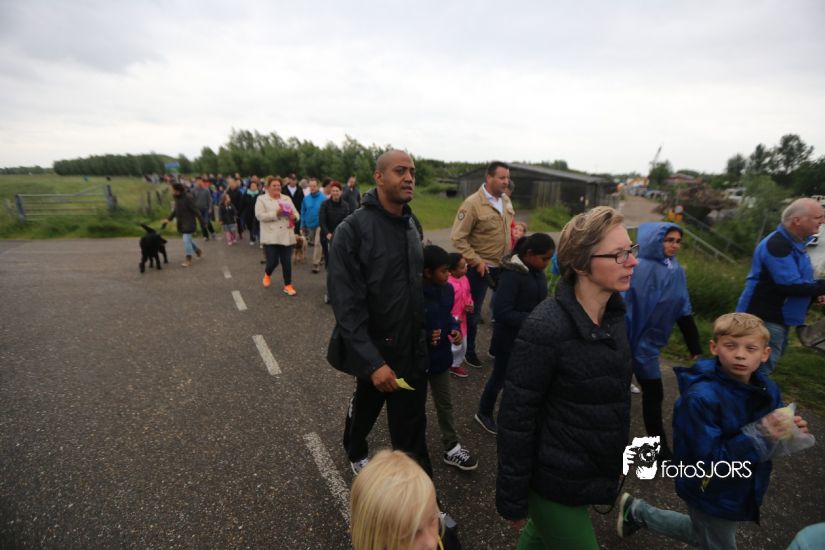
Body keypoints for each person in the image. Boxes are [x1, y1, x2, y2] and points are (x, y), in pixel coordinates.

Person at [496, 206, 637, 548]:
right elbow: (516, 417)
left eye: (631, 250)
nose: (632, 261)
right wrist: (513, 496)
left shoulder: (614, 318)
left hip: (584, 471)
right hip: (553, 481)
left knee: (537, 540)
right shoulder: (546, 327)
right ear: (581, 265)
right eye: (618, 254)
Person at [618, 312, 812, 550]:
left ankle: (637, 512)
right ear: (714, 347)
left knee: (704, 533)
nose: (740, 354)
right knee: (717, 541)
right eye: (731, 346)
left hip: (740, 484)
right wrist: (762, 434)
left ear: (765, 354)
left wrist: (789, 429)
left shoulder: (766, 388)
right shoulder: (700, 399)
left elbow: (768, 427)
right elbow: (707, 460)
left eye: (751, 348)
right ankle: (638, 513)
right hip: (709, 487)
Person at [327, 150, 433, 477]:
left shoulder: (412, 224)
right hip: (376, 351)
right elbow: (346, 306)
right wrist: (373, 363)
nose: (409, 178)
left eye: (412, 171)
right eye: (400, 171)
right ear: (379, 177)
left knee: (411, 432)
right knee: (366, 407)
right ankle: (355, 446)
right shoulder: (352, 231)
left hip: (412, 350)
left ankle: (422, 501)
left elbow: (415, 286)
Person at [623, 222, 702, 459]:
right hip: (624, 341)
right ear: (654, 241)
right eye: (669, 240)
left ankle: (659, 449)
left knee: (654, 394)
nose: (674, 245)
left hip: (648, 347)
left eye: (678, 241)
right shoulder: (636, 268)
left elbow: (683, 308)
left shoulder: (676, 270)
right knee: (620, 394)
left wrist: (694, 346)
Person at [475, 233, 554, 436]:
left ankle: (513, 414)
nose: (547, 263)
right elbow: (502, 312)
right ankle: (484, 412)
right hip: (508, 338)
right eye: (544, 258)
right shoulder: (512, 275)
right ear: (529, 253)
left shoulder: (536, 271)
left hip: (530, 337)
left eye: (549, 259)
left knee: (521, 379)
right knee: (500, 376)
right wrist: (534, 319)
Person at [736, 198, 825, 374]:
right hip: (763, 318)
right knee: (756, 367)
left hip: (778, 318)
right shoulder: (778, 245)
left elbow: (800, 280)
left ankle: (749, 390)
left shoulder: (796, 244)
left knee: (762, 364)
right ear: (797, 220)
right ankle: (745, 391)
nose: (822, 221)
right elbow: (790, 285)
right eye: (818, 217)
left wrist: (814, 295)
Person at [450, 161, 515, 368]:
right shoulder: (472, 204)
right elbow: (458, 238)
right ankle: (468, 352)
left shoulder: (505, 200)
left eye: (507, 178)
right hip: (479, 268)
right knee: (472, 312)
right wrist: (476, 260)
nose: (506, 182)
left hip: (502, 266)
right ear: (489, 178)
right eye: (502, 178)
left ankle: (496, 348)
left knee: (503, 309)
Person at [422, 245, 479, 471]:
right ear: (427, 272)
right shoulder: (412, 293)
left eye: (448, 270)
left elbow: (448, 317)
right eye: (443, 271)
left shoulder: (446, 290)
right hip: (416, 361)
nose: (448, 275)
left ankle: (452, 447)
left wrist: (454, 330)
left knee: (445, 404)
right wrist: (425, 337)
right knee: (412, 408)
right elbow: (403, 327)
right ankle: (412, 449)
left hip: (440, 359)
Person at [350, 450, 443, 550]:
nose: (432, 543)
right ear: (374, 537)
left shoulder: (445, 541)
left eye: (432, 519)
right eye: (411, 534)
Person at [255, 176, 299, 296]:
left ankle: (288, 285)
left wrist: (294, 217)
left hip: (286, 234)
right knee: (273, 262)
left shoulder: (286, 198)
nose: (277, 187)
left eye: (279, 185)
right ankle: (267, 273)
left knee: (286, 262)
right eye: (274, 185)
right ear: (268, 187)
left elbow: (296, 213)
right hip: (270, 236)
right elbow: (259, 215)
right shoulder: (261, 199)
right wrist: (276, 213)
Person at [162, 183, 204, 267]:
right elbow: (175, 210)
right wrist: (168, 219)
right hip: (181, 223)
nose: (172, 191)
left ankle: (188, 260)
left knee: (186, 240)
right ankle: (197, 251)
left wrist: (202, 222)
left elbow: (196, 211)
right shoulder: (177, 198)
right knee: (188, 240)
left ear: (177, 190)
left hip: (189, 222)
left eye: (173, 189)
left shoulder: (188, 198)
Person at [447, 254, 473, 379]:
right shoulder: (447, 283)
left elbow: (468, 294)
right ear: (452, 270)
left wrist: (470, 304)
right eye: (462, 267)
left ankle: (455, 365)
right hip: (451, 322)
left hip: (463, 320)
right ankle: (447, 364)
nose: (465, 269)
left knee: (463, 345)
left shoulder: (465, 279)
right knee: (451, 345)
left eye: (466, 266)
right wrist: (452, 318)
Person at [319, 181, 351, 267]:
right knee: (328, 260)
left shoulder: (345, 205)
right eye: (333, 191)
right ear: (330, 192)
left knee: (338, 260)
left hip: (339, 235)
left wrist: (338, 234)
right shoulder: (324, 204)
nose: (335, 193)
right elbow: (322, 221)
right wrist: (327, 233)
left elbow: (346, 222)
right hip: (326, 235)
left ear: (341, 192)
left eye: (337, 191)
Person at [300, 177, 327, 273]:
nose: (312, 188)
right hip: (309, 224)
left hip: (320, 224)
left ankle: (316, 264)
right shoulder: (306, 199)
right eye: (310, 186)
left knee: (317, 243)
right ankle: (322, 255)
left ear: (318, 186)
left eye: (314, 186)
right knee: (312, 242)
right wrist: (302, 225)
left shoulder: (324, 198)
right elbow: (303, 212)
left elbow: (327, 213)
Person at [191, 177, 215, 241]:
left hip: (206, 209)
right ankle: (205, 236)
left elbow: (210, 200)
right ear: (196, 182)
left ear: (202, 182)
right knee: (202, 223)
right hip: (198, 210)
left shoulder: (206, 190)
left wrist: (210, 208)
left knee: (207, 222)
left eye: (200, 181)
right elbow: (192, 200)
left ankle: (212, 232)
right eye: (198, 181)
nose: (199, 182)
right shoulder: (193, 190)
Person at [241, 179, 261, 245]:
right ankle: (252, 239)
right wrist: (240, 213)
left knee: (259, 227)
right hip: (249, 214)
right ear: (249, 187)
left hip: (258, 213)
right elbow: (242, 204)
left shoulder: (260, 194)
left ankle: (260, 240)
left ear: (257, 187)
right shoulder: (245, 194)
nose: (253, 187)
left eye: (255, 186)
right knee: (250, 227)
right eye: (252, 186)